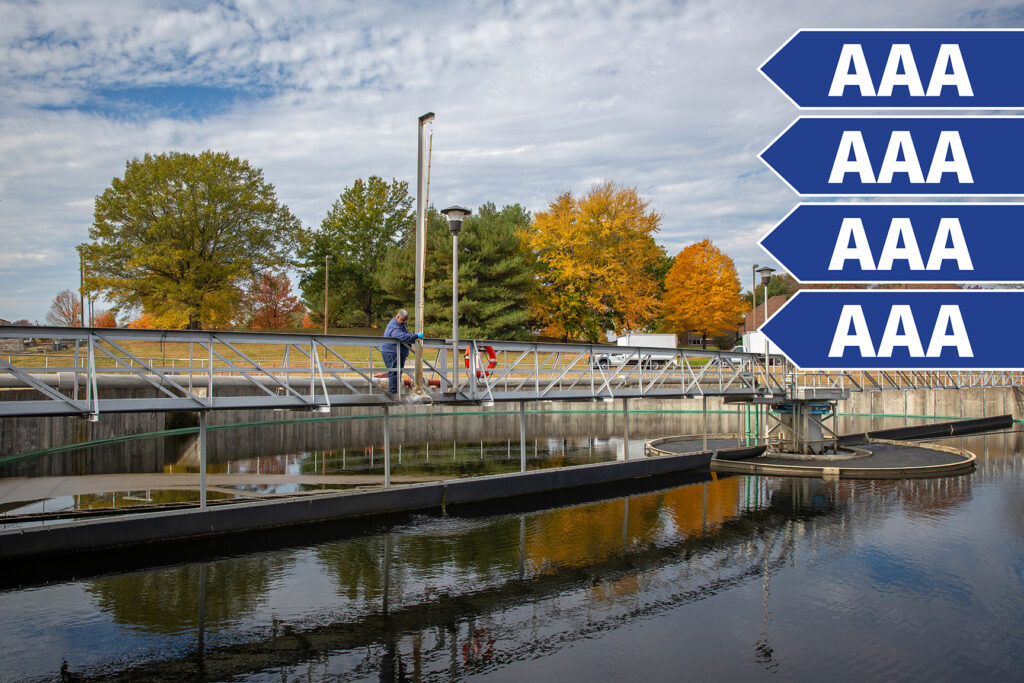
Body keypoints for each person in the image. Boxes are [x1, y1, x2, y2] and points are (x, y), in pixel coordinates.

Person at [380, 308, 422, 394]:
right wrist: (415, 336)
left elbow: (406, 334)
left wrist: (412, 336)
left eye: (405, 320)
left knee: (397, 372)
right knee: (394, 372)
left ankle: (395, 392)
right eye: (402, 320)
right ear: (397, 317)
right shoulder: (394, 326)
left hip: (397, 352)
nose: (404, 322)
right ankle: (392, 393)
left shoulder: (401, 323)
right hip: (391, 352)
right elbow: (401, 336)